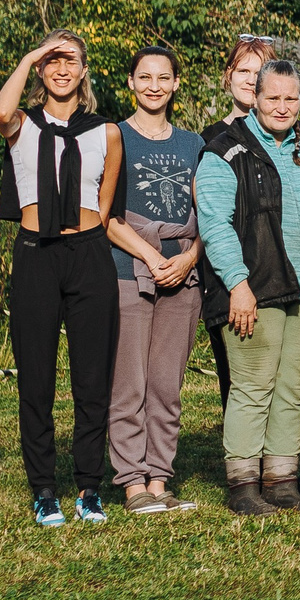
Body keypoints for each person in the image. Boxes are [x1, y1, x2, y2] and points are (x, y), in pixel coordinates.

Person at [195, 59, 300, 517]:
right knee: (252, 387)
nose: (282, 106)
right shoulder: (226, 151)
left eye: (291, 98)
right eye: (273, 98)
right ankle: (244, 485)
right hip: (255, 291)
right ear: (255, 98)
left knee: (291, 388)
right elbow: (215, 224)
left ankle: (282, 481)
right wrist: (238, 285)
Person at [0, 31, 123, 528]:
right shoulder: (22, 125)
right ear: (41, 69)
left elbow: (106, 201)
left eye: (71, 60)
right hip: (35, 255)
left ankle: (89, 487)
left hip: (88, 254)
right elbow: (1, 112)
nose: (62, 68)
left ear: (85, 70)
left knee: (92, 379)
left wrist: (86, 239)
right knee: (37, 379)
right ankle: (43, 490)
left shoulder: (105, 131)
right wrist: (29, 55)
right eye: (53, 60)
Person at [104, 46, 204, 515]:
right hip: (128, 272)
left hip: (184, 277)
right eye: (144, 77)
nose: (154, 85)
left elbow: (211, 215)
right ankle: (131, 483)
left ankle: (160, 480)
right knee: (130, 383)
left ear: (176, 84)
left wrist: (188, 260)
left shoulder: (192, 144)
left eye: (163, 77)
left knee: (167, 383)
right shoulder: (114, 137)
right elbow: (102, 216)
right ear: (130, 82)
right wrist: (149, 255)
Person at [201, 35, 278, 405]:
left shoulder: (289, 136)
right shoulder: (209, 140)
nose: (250, 79)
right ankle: (242, 462)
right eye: (243, 70)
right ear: (228, 76)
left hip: (282, 277)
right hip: (230, 281)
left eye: (259, 71)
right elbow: (208, 218)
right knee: (237, 387)